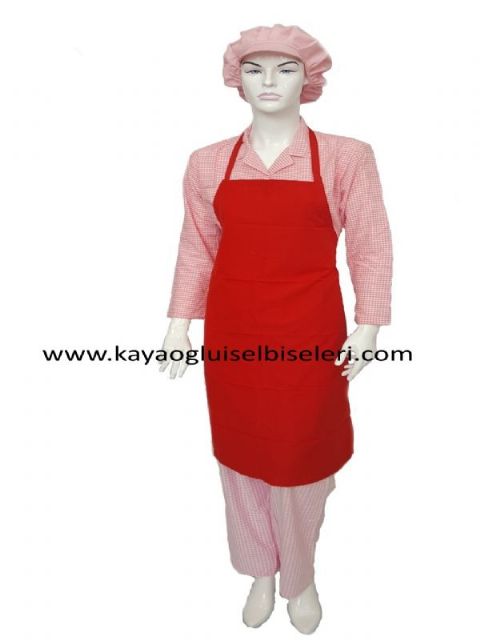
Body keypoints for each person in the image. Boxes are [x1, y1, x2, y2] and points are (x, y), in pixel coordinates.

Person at [161, 24, 393, 634]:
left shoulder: (346, 157)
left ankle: (301, 576)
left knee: (300, 460)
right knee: (241, 457)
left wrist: (370, 324)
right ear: (236, 80)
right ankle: (260, 571)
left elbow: (370, 243)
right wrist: (179, 324)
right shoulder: (207, 162)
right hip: (233, 336)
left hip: (310, 335)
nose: (268, 81)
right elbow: (197, 247)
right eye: (254, 69)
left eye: (285, 68)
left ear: (308, 80)